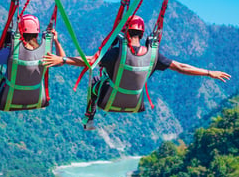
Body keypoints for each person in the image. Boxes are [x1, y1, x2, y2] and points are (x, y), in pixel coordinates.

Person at [42, 15, 231, 130]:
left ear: (124, 32)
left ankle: (89, 118)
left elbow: (90, 62)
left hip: (107, 100)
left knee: (95, 83)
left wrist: (63, 60)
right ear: (142, 35)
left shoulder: (116, 53)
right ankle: (91, 117)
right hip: (135, 103)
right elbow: (182, 67)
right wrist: (208, 73)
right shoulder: (153, 55)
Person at [0, 14, 65, 103]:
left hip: (9, 96)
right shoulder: (44, 54)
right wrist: (56, 41)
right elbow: (61, 60)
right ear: (37, 34)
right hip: (34, 96)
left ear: (20, 32)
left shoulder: (11, 52)